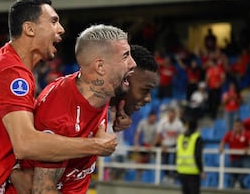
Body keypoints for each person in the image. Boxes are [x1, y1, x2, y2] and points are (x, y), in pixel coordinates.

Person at [0, 0, 117, 194]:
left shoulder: (4, 59)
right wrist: (94, 145)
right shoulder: (12, 72)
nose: (61, 29)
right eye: (53, 21)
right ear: (29, 29)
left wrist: (13, 170)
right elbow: (25, 144)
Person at [10, 44, 158, 192]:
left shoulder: (100, 99)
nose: (148, 99)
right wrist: (96, 145)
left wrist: (120, 109)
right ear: (124, 78)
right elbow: (42, 190)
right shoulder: (64, 112)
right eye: (145, 90)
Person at [219, 119, 250, 189]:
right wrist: (221, 147)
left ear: (242, 126)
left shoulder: (247, 133)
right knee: (232, 174)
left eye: (238, 126)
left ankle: (238, 182)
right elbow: (222, 142)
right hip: (233, 159)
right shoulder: (229, 134)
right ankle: (237, 185)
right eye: (235, 126)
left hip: (244, 158)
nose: (237, 128)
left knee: (247, 167)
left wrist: (248, 148)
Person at [155, 107, 184, 183]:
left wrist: (178, 142)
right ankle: (166, 175)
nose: (171, 117)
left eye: (173, 115)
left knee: (175, 160)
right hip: (165, 144)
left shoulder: (179, 123)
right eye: (170, 115)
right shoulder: (162, 122)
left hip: (175, 144)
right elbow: (159, 134)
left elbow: (182, 135)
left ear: (175, 115)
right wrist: (162, 145)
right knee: (165, 160)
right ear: (168, 115)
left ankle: (174, 176)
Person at [176, 120, 205, 194]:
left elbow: (176, 153)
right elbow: (197, 156)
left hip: (181, 170)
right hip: (193, 172)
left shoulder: (180, 137)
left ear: (187, 126)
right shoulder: (197, 138)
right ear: (196, 127)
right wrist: (201, 170)